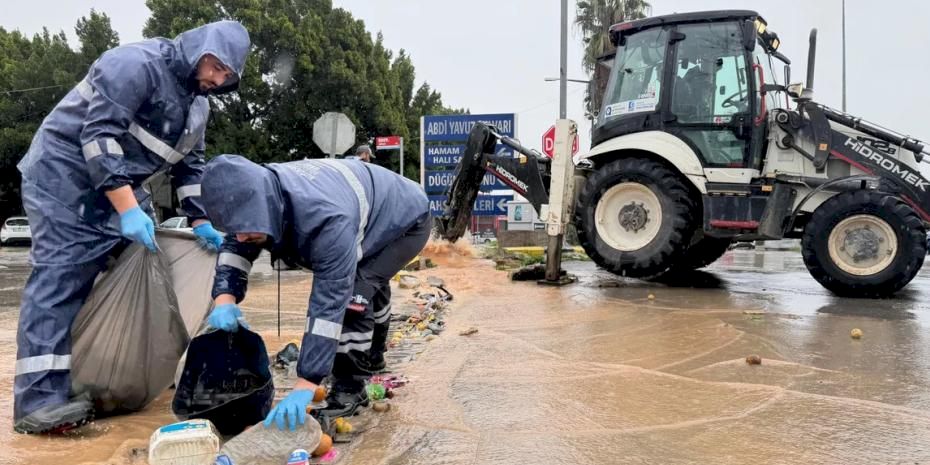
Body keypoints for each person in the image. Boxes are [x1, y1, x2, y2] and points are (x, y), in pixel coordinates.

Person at [13, 21, 251, 434]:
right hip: (62, 181)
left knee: (147, 276)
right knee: (61, 280)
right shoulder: (134, 64)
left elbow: (190, 167)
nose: (216, 79)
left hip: (117, 189)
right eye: (215, 67)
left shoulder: (198, 108)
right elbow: (99, 137)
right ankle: (37, 402)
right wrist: (128, 210)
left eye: (227, 76)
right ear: (200, 49)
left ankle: (108, 377)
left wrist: (201, 220)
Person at [200, 155, 430, 431]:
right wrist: (224, 300)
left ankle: (351, 385)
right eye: (233, 230)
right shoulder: (259, 196)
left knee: (354, 296)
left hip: (407, 222)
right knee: (369, 282)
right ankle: (374, 358)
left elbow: (329, 303)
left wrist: (306, 384)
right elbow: (235, 249)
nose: (239, 238)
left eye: (245, 230)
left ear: (266, 209)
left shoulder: (327, 221)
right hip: (370, 212)